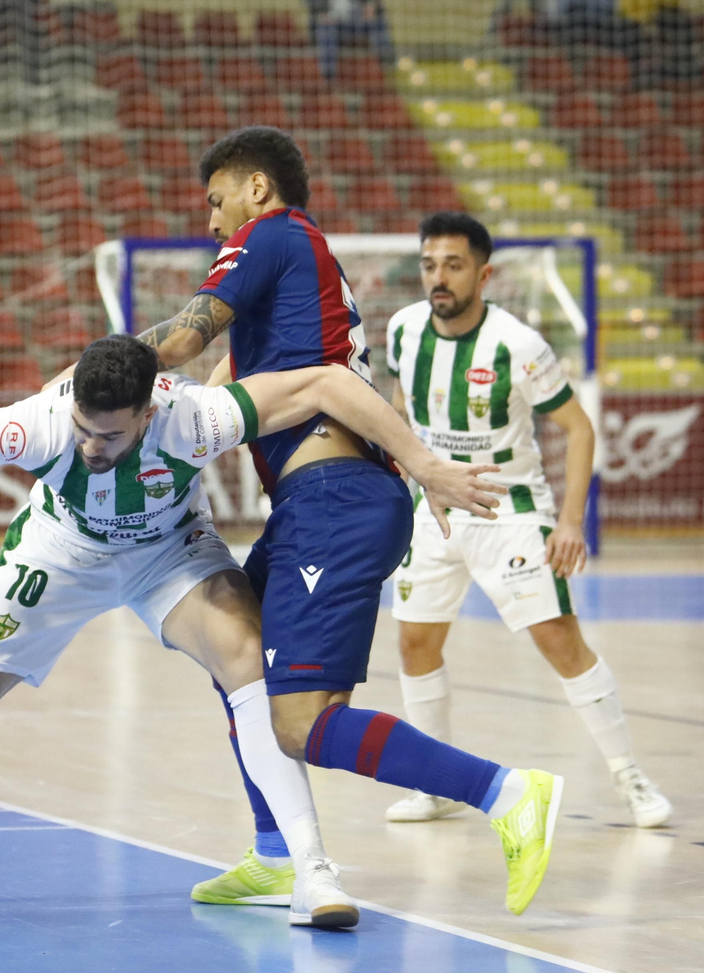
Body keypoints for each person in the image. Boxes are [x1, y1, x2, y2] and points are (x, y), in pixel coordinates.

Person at [0, 334, 517, 925]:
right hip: (61, 552)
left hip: (166, 555)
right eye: (82, 428)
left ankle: (312, 872)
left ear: (145, 414)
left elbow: (325, 383)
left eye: (108, 435)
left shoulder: (195, 416)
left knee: (246, 661)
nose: (90, 446)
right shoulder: (40, 423)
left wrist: (421, 464)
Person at [135, 126, 567, 917]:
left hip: (332, 501)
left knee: (301, 722)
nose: (212, 221)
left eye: (216, 199)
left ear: (257, 188)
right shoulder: (296, 281)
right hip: (317, 501)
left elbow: (188, 337)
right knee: (232, 652)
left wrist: (80, 384)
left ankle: (507, 793)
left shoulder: (268, 237)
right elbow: (217, 385)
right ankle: (274, 854)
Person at [381, 213, 672, 828]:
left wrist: (570, 523)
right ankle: (431, 786)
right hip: (434, 512)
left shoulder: (518, 343)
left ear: (483, 274)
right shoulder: (404, 330)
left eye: (453, 265)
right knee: (414, 644)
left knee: (557, 639)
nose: (439, 277)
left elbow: (578, 428)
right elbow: (401, 410)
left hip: (510, 513)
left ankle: (630, 778)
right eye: (430, 265)